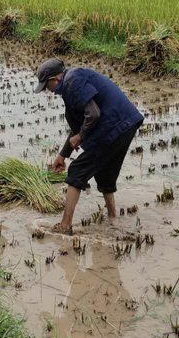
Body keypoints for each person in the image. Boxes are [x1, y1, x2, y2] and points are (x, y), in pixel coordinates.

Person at [34, 58, 143, 234]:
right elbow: (78, 126)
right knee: (104, 173)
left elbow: (93, 114)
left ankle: (65, 225)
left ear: (55, 79)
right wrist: (62, 155)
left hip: (114, 125)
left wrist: (81, 136)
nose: (49, 91)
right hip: (127, 124)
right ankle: (113, 218)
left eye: (47, 86)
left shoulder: (72, 82)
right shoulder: (72, 82)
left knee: (77, 171)